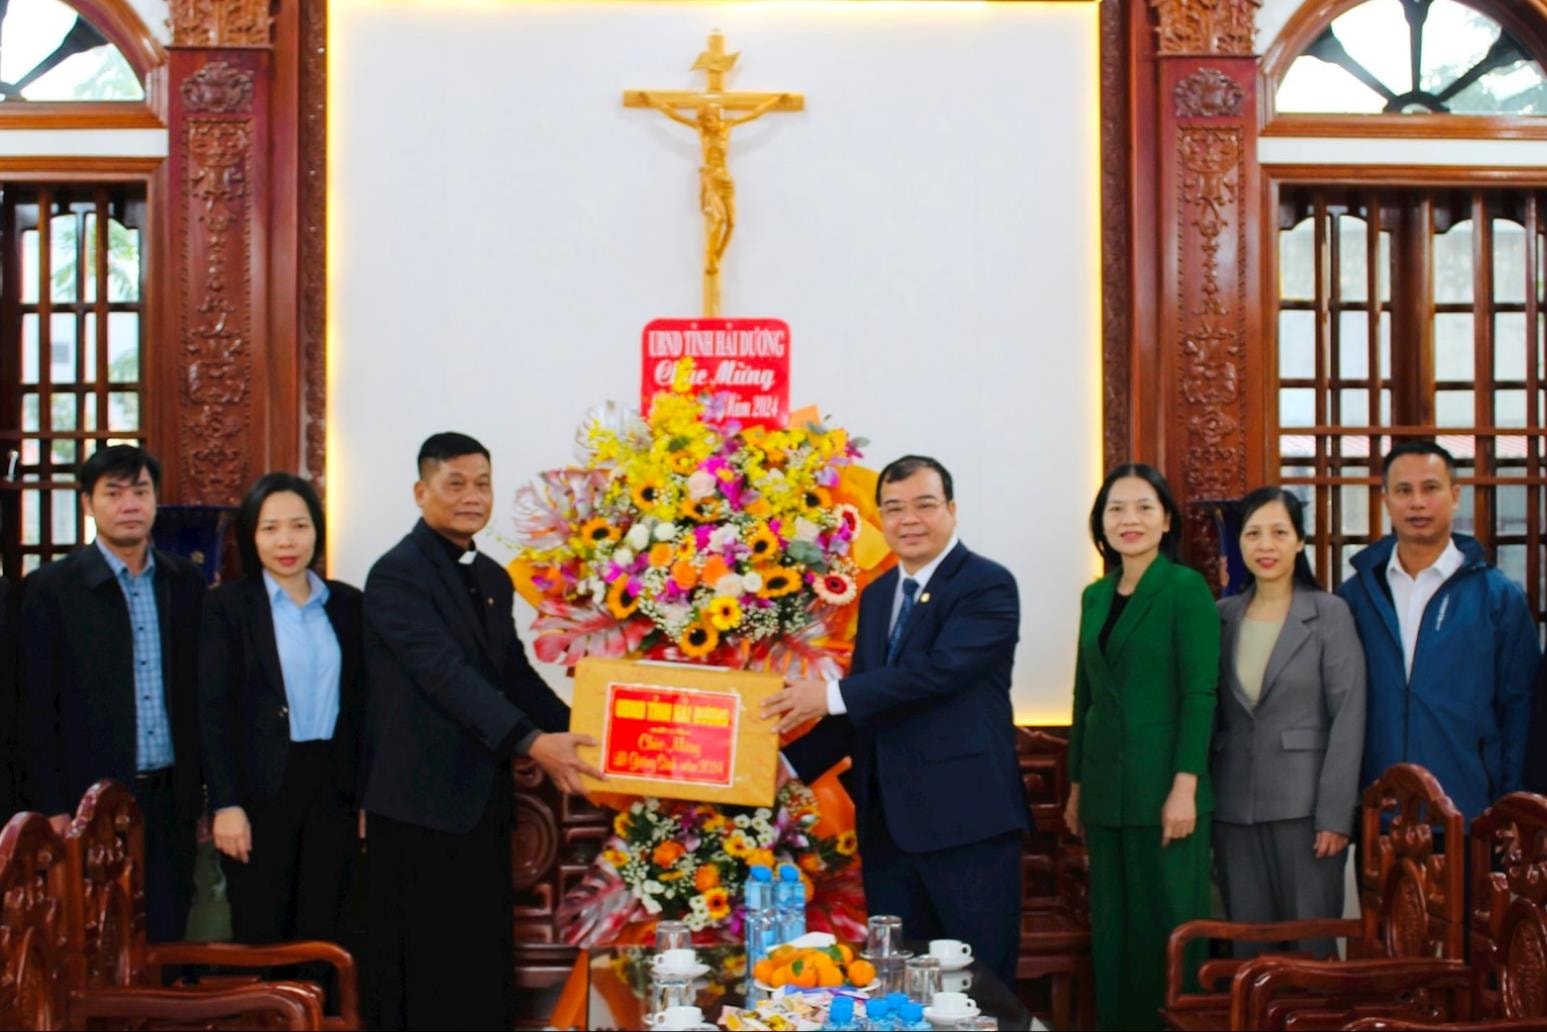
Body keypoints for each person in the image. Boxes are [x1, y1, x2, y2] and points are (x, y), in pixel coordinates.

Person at [361, 432, 600, 1031]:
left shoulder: (491, 576)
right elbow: (445, 675)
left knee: (477, 960)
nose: (472, 497)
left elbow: (511, 675)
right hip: (417, 807)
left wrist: (590, 733)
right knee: (422, 967)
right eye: (456, 484)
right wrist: (532, 743)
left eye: (482, 483)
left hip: (482, 803)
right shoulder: (395, 576)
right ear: (422, 492)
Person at [761, 455, 1028, 987]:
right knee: (901, 983)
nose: (909, 519)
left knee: (981, 987)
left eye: (924, 505)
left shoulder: (986, 586)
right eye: (894, 508)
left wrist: (829, 694)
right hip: (889, 829)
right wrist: (781, 768)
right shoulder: (881, 594)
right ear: (880, 519)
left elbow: (936, 674)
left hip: (966, 825)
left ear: (951, 510)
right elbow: (866, 704)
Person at [20, 445, 206, 942]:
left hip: (171, 799)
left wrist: (203, 796)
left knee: (169, 930)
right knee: (96, 938)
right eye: (114, 493)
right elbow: (33, 708)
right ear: (87, 503)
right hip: (89, 804)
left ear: (156, 500)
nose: (130, 505)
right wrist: (52, 807)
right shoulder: (49, 589)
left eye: (141, 492)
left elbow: (202, 698)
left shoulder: (185, 582)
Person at [1065, 463, 1216, 1031]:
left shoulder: (1184, 588)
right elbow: (1084, 696)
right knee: (1113, 932)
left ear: (1166, 519)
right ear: (1101, 524)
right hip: (1106, 792)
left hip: (1165, 789)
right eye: (1116, 509)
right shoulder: (1095, 595)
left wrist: (1186, 786)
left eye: (1143, 508)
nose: (1129, 520)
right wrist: (1078, 785)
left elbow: (1201, 692)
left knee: (1168, 929)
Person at [199, 473, 365, 954]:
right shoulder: (227, 607)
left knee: (328, 925)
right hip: (260, 790)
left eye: (299, 525)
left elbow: (366, 708)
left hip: (334, 784)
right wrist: (225, 804)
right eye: (270, 528)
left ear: (317, 530)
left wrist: (367, 797)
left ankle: (322, 1023)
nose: (286, 541)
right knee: (263, 925)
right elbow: (212, 710)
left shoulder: (348, 604)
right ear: (251, 536)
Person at [1338, 440, 1538, 824]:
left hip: (1469, 814)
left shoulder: (1498, 597)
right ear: (1385, 499)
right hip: (1380, 810)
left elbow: (1519, 712)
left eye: (1430, 488)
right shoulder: (1356, 596)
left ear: (1455, 495)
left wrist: (1510, 810)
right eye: (1403, 491)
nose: (1417, 503)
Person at [1213, 486, 1365, 958]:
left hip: (1307, 813)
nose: (1265, 545)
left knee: (1311, 951)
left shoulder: (1328, 613)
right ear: (1240, 543)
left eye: (1279, 532)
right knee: (1249, 955)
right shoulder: (1221, 616)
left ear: (1300, 542)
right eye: (1253, 533)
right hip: (1234, 808)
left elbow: (1349, 716)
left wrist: (1336, 815)